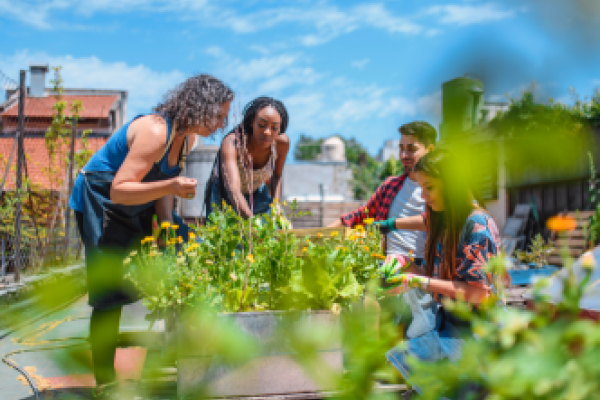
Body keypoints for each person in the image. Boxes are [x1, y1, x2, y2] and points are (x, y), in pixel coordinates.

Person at [68, 74, 234, 397]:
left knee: (191, 247)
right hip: (102, 200)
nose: (222, 122)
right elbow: (120, 190)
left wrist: (166, 230)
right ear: (200, 107)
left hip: (137, 203)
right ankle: (105, 383)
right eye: (219, 115)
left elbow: (162, 190)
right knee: (109, 295)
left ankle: (173, 359)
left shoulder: (186, 140)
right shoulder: (156, 131)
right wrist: (172, 187)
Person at [380, 149, 503, 396]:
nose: (424, 196)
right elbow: (436, 280)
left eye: (430, 187)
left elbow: (479, 294)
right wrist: (404, 263)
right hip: (449, 326)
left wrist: (417, 279)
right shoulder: (445, 221)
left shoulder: (477, 226)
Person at [329, 121, 436, 266]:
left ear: (430, 149)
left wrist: (389, 224)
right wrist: (323, 233)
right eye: (401, 149)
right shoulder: (391, 185)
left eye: (411, 149)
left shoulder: (440, 188)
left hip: (425, 266)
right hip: (386, 263)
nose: (404, 155)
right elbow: (363, 214)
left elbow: (437, 220)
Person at [205, 96, 290, 219]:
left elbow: (277, 176)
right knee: (223, 236)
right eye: (261, 125)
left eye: (274, 128)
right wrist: (252, 223)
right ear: (251, 122)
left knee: (273, 231)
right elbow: (233, 189)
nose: (267, 132)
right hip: (224, 195)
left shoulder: (281, 144)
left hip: (255, 193)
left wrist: (276, 206)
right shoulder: (233, 143)